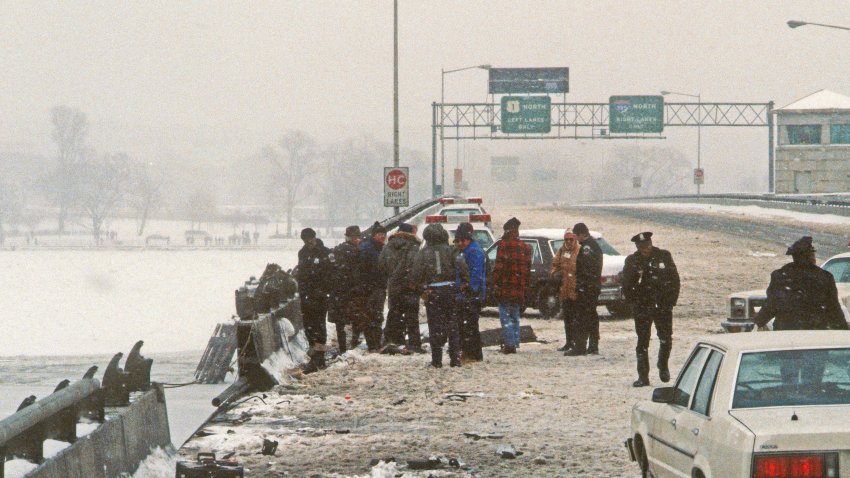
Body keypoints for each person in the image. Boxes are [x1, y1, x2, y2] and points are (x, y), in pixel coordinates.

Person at [621, 232, 681, 387]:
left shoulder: (663, 256)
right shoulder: (633, 261)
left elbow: (674, 280)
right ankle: (643, 375)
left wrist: (670, 302)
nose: (645, 249)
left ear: (651, 243)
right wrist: (634, 303)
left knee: (665, 338)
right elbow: (626, 285)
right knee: (642, 341)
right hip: (642, 306)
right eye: (641, 247)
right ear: (637, 247)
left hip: (662, 306)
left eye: (647, 245)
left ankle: (663, 365)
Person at [755, 236, 847, 332]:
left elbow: (771, 305)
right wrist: (843, 331)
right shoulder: (824, 277)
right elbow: (834, 310)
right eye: (812, 254)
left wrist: (758, 322)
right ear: (809, 256)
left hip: (785, 334)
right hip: (816, 335)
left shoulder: (780, 276)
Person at [412, 223, 469, 368]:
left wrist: (421, 289)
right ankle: (454, 358)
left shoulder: (423, 253)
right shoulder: (452, 251)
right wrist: (463, 283)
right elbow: (462, 267)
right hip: (450, 290)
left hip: (432, 292)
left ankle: (436, 360)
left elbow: (416, 274)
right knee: (453, 325)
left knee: (435, 326)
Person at [379, 223, 423, 351]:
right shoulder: (414, 246)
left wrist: (392, 276)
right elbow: (416, 266)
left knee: (394, 312)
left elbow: (381, 266)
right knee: (411, 315)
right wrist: (414, 282)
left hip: (394, 284)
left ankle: (392, 340)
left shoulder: (388, 246)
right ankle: (414, 344)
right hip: (410, 285)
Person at [492, 217, 532, 355]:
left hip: (505, 286)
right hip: (518, 287)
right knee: (515, 315)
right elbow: (527, 270)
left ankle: (509, 345)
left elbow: (499, 268)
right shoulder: (526, 248)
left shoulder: (503, 245)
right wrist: (525, 285)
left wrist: (495, 282)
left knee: (505, 316)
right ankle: (515, 341)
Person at [296, 228, 332, 373]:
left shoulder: (325, 252)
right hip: (307, 294)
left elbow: (330, 273)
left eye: (310, 239)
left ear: (315, 238)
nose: (308, 242)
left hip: (320, 295)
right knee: (308, 325)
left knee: (319, 324)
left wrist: (323, 289)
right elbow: (302, 273)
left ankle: (320, 356)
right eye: (305, 240)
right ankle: (314, 352)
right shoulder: (302, 252)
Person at [565, 222, 603, 356]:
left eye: (575, 235)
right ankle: (593, 345)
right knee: (591, 316)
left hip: (587, 288)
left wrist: (582, 286)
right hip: (592, 287)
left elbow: (587, 269)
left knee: (582, 317)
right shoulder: (593, 245)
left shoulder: (587, 247)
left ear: (581, 234)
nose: (575, 239)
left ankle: (580, 346)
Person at [329, 225, 367, 354]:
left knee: (340, 322)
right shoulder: (359, 251)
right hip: (353, 290)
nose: (358, 239)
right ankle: (354, 343)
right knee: (356, 318)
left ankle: (343, 347)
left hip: (339, 290)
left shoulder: (337, 250)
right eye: (356, 237)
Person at [455, 227, 486, 362]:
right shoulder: (471, 250)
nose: (460, 243)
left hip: (471, 295)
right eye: (458, 241)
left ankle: (471, 354)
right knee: (469, 325)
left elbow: (476, 274)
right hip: (470, 294)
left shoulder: (474, 252)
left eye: (463, 240)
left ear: (468, 239)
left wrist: (468, 288)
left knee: (469, 326)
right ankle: (472, 353)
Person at [359, 221, 388, 351]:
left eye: (384, 234)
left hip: (377, 286)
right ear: (374, 235)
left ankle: (375, 341)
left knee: (376, 314)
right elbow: (367, 268)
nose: (382, 237)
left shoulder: (379, 247)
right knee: (372, 314)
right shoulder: (368, 249)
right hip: (370, 287)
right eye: (380, 234)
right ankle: (373, 342)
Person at [550, 230, 580, 353]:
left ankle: (577, 343)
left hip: (576, 291)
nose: (568, 242)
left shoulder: (580, 251)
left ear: (575, 239)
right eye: (566, 239)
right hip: (564, 291)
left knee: (576, 319)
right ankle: (569, 342)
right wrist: (555, 274)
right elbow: (554, 265)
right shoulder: (561, 251)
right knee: (567, 318)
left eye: (571, 239)